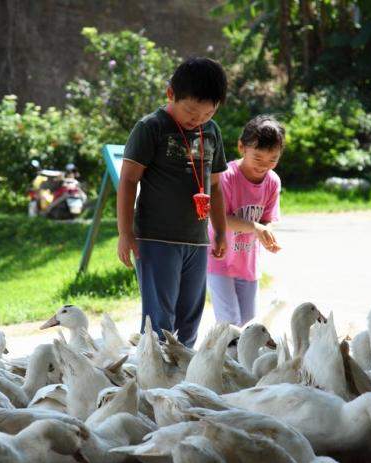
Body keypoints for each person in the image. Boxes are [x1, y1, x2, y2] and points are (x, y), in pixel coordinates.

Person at [117, 57, 228, 347]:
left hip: (197, 240)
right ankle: (154, 382)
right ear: (170, 94)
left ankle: (182, 381)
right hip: (156, 239)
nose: (197, 120)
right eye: (191, 111)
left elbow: (215, 186)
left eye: (207, 113)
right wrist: (125, 233)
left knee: (190, 317)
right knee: (159, 321)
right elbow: (128, 181)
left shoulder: (212, 131)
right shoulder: (151, 127)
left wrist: (221, 231)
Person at [207, 115, 283, 326]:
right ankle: (224, 359)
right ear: (242, 147)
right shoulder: (227, 176)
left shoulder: (273, 182)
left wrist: (266, 234)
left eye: (273, 160)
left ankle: (240, 360)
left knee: (249, 325)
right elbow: (218, 218)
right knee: (229, 323)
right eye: (258, 158)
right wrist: (254, 226)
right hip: (219, 260)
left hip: (248, 264)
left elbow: (267, 219)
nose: (264, 166)